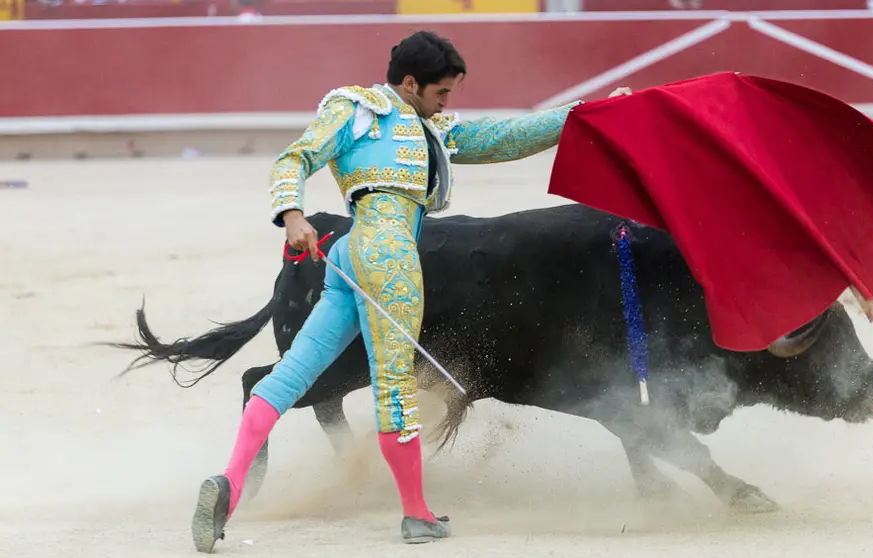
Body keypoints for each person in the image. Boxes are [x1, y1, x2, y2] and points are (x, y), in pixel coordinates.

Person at [189, 29, 631, 553]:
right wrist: (290, 217)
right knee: (395, 383)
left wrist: (587, 112)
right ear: (410, 82)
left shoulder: (376, 116)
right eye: (441, 93)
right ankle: (417, 515)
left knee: (294, 374)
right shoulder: (368, 110)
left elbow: (509, 136)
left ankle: (230, 484)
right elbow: (293, 160)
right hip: (393, 255)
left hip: (349, 252)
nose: (447, 104)